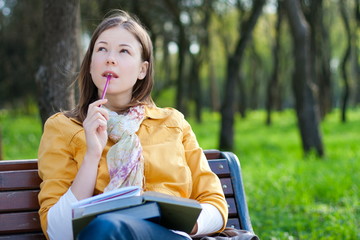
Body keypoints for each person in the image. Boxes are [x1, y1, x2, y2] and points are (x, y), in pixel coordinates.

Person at [37, 9, 228, 240]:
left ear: (142, 70)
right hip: (104, 234)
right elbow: (57, 232)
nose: (110, 58)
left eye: (124, 51)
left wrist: (185, 225)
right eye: (101, 49)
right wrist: (92, 155)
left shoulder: (172, 123)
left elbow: (216, 204)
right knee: (106, 227)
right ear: (90, 65)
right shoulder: (63, 127)